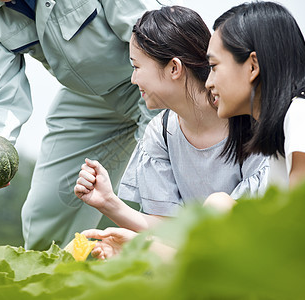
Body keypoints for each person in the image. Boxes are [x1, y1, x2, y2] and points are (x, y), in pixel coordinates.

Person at [0, 0, 165, 251]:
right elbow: (2, 94)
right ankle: (58, 284)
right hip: (87, 98)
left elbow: (154, 34)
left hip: (153, 79)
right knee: (46, 212)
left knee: (160, 193)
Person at [74, 6, 269, 234]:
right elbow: (168, 231)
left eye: (136, 67)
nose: (134, 79)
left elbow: (254, 223)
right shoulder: (161, 132)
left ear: (174, 68)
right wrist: (107, 201)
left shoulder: (252, 122)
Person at [203, 1, 305, 206]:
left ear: (253, 66)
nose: (208, 83)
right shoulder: (281, 141)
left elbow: (298, 225)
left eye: (214, 66)